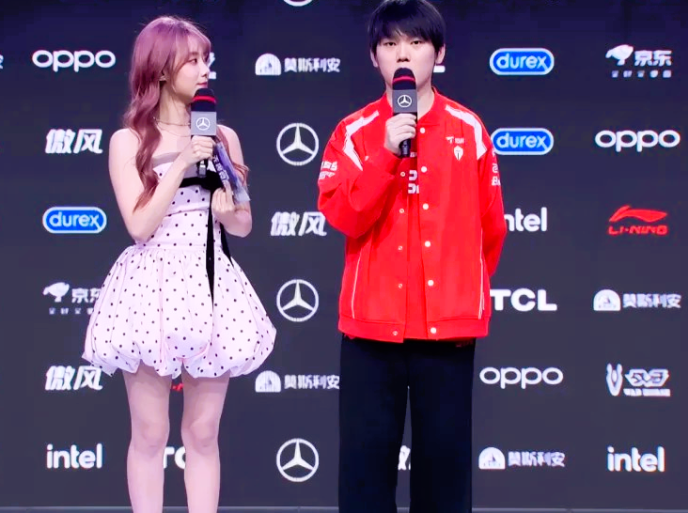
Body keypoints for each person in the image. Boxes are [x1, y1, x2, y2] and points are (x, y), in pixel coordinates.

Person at [316, 1, 507, 512]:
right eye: (390, 44)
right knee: (364, 473)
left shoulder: (469, 129)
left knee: (444, 476)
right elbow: (344, 216)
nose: (403, 54)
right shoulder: (353, 132)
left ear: (438, 54)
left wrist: (461, 292)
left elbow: (491, 227)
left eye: (416, 42)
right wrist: (385, 153)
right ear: (374, 57)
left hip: (446, 332)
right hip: (370, 331)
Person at [82, 16, 276, 513]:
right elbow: (139, 225)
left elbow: (244, 224)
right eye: (193, 60)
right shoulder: (129, 140)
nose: (205, 69)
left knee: (203, 431)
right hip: (152, 286)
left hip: (211, 281)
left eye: (206, 59)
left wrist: (227, 208)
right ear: (162, 69)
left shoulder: (223, 136)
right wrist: (184, 163)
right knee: (150, 431)